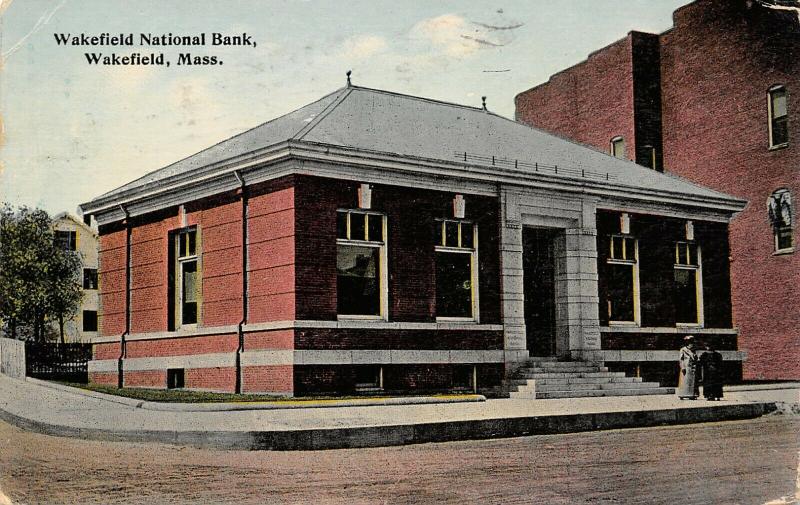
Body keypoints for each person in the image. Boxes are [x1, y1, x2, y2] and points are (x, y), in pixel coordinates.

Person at [677, 335, 700, 400]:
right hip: (686, 367)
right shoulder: (683, 349)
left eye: (691, 341)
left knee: (692, 381)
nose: (691, 343)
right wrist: (683, 367)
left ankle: (692, 394)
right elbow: (681, 359)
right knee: (684, 381)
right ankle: (683, 394)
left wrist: (696, 357)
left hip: (692, 367)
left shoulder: (694, 350)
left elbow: (696, 359)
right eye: (689, 342)